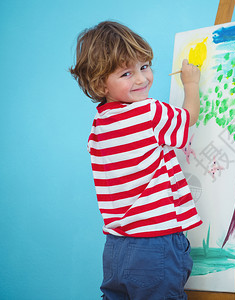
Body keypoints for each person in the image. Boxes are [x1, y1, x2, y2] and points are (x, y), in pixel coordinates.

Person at [69, 20, 202, 300]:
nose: (142, 79)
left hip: (116, 247)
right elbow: (189, 118)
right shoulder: (150, 112)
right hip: (157, 243)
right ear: (99, 84)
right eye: (127, 73)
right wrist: (191, 85)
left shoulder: (100, 124)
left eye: (144, 66)